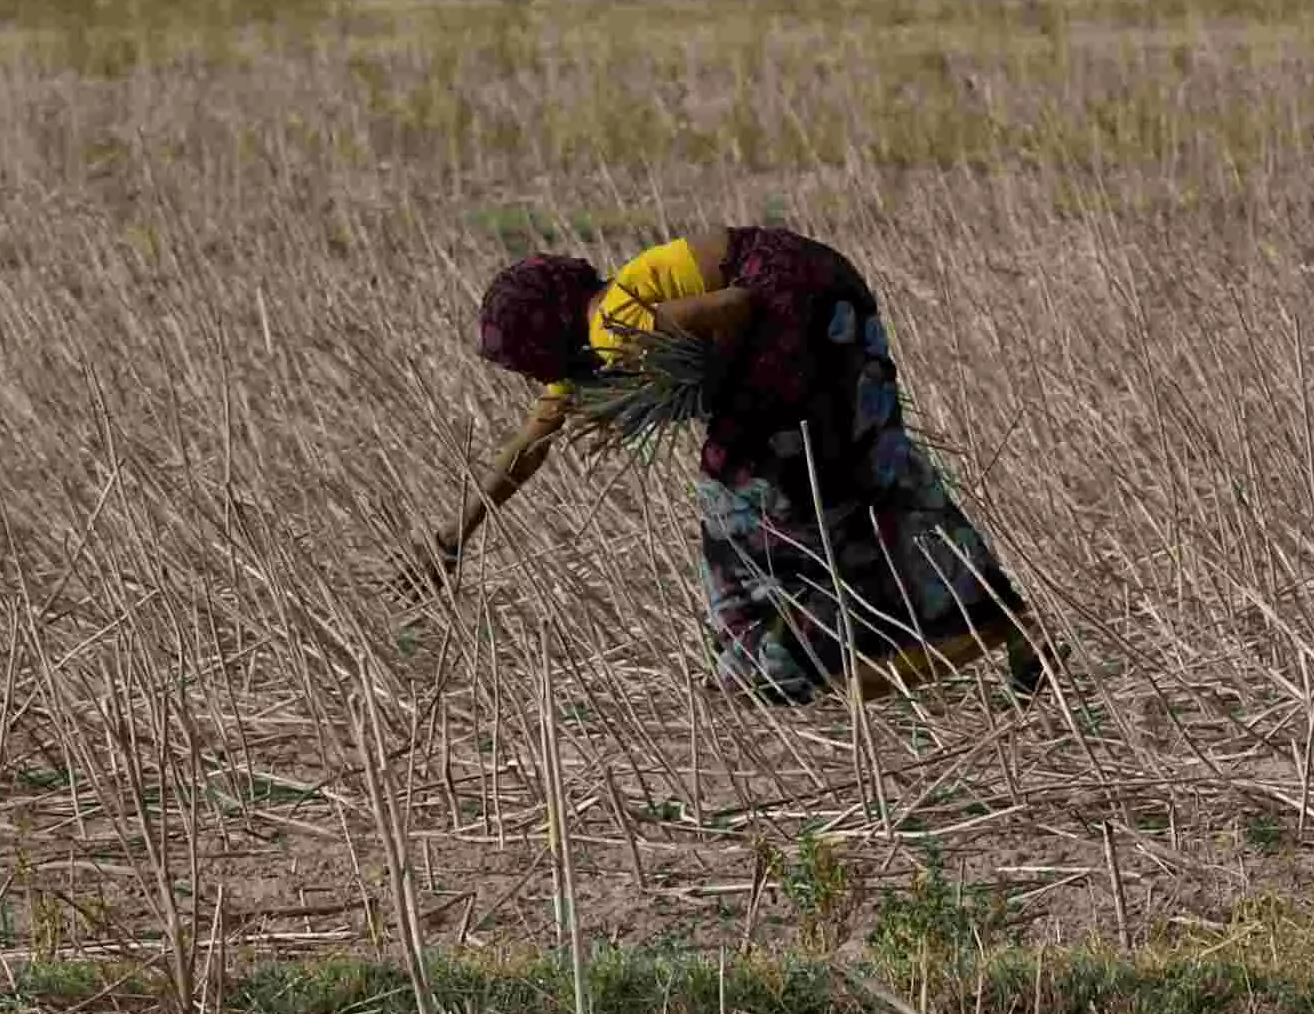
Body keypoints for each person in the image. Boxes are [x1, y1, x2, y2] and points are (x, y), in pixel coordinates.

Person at [435, 226, 1045, 703]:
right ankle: (1002, 623)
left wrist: (720, 371)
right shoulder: (604, 322)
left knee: (741, 489)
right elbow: (532, 443)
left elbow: (735, 304)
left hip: (790, 305)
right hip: (832, 289)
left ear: (545, 335)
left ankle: (772, 664)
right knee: (869, 465)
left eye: (522, 361)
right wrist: (452, 540)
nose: (531, 376)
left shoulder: (611, 330)